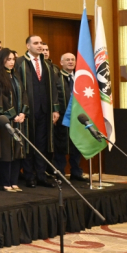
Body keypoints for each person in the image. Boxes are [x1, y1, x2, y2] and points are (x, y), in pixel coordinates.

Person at [17, 35, 61, 188]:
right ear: (28, 46)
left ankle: (41, 175)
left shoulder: (47, 64)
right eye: (36, 43)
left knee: (42, 144)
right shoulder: (20, 63)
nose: (40, 45)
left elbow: (54, 88)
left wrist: (55, 109)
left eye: (41, 43)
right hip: (27, 111)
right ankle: (29, 176)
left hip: (45, 110)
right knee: (28, 144)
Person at [0, 49, 28, 192]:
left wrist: (23, 113)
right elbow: (1, 98)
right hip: (6, 120)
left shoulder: (16, 76)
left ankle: (14, 181)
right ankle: (5, 182)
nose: (12, 62)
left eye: (13, 59)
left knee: (18, 150)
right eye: (8, 59)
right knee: (7, 152)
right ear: (1, 60)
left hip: (19, 119)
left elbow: (24, 94)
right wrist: (13, 114)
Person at [54, 52, 88, 183]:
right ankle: (60, 173)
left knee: (76, 145)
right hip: (62, 117)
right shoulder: (56, 78)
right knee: (61, 146)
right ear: (61, 62)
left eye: (73, 59)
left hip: (78, 118)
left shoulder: (80, 78)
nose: (70, 62)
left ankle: (76, 172)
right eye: (67, 60)